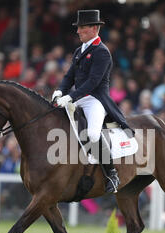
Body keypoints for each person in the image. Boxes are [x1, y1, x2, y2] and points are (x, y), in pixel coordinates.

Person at [52, 10, 133, 193]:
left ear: (94, 28)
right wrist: (59, 91)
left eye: (82, 27)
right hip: (78, 98)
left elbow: (93, 82)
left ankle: (112, 174)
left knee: (93, 135)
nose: (78, 31)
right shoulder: (79, 50)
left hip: (95, 100)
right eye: (78, 27)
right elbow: (69, 76)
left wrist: (70, 96)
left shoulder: (102, 52)